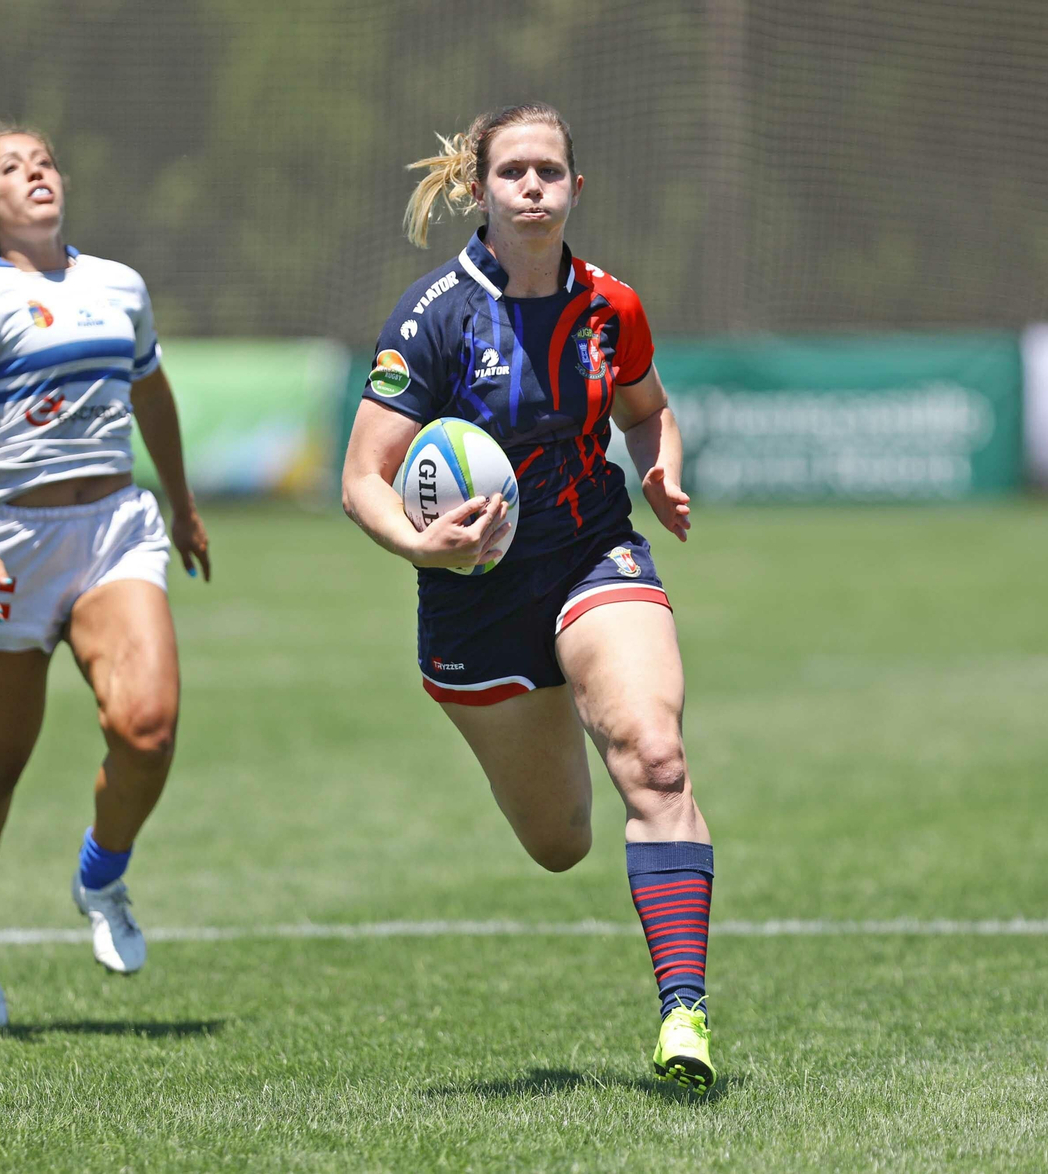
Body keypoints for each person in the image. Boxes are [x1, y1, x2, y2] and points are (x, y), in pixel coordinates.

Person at [341, 105, 718, 1091]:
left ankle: (684, 1013)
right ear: (480, 190)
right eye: (514, 171)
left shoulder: (611, 307)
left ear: (576, 188)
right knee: (559, 842)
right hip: (473, 601)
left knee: (654, 752)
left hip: (593, 554)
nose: (535, 186)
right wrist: (418, 542)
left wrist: (660, 467)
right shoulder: (431, 318)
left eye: (551, 170)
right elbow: (360, 480)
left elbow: (648, 408)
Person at [0, 124, 210, 1029]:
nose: (35, 172)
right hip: (12, 547)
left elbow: (151, 392)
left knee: (147, 732)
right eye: (11, 167)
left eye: (42, 160)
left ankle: (102, 875)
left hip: (115, 528)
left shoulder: (119, 286)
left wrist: (181, 505)